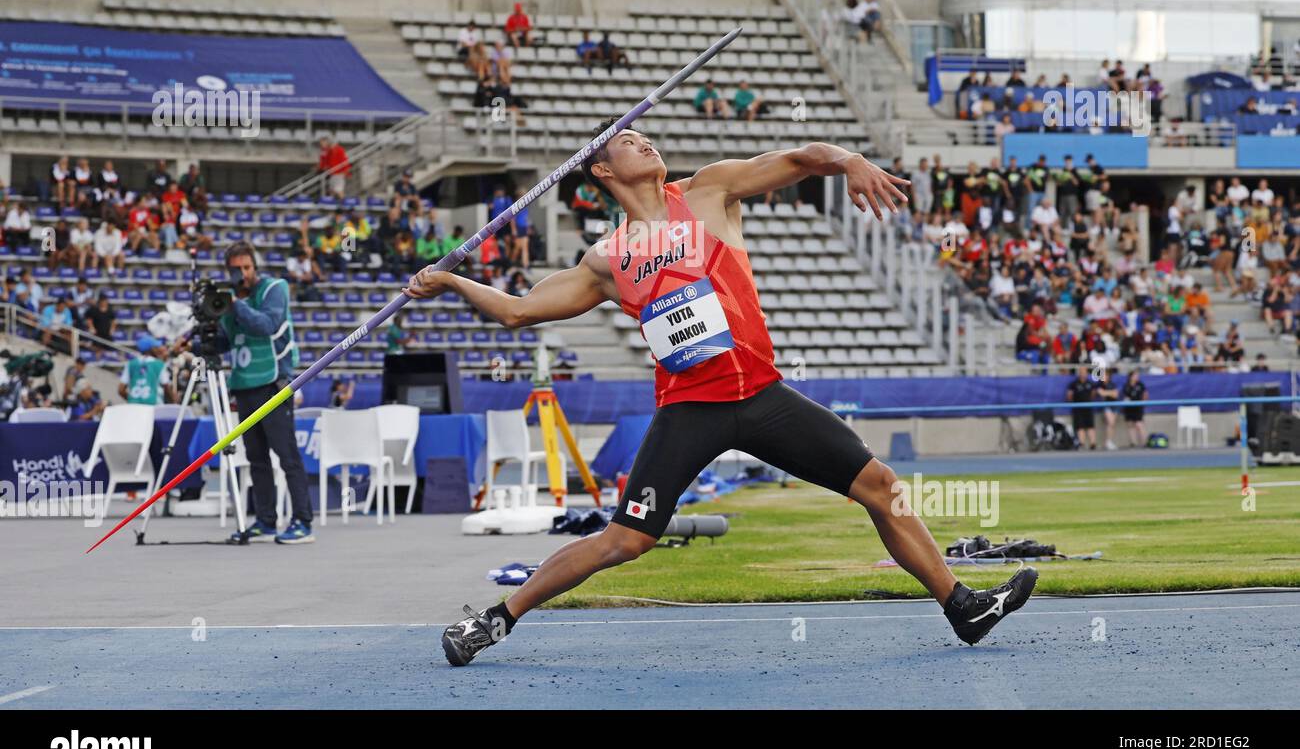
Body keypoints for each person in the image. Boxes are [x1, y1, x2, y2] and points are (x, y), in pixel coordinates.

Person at [409, 123, 1037, 665]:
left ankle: (963, 608)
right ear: (602, 169)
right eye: (629, 141)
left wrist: (848, 161)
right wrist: (454, 282)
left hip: (763, 396)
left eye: (645, 135)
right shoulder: (607, 259)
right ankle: (495, 618)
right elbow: (520, 312)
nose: (645, 141)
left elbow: (798, 160)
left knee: (882, 487)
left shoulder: (709, 192)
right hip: (689, 410)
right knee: (625, 540)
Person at [203, 242, 314, 544]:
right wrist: (204, 336)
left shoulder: (274, 288)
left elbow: (267, 324)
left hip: (273, 383)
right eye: (235, 269)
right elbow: (229, 340)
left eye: (246, 268)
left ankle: (303, 522)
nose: (242, 274)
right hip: (244, 384)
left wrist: (235, 304)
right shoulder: (229, 300)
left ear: (255, 266)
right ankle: (266, 521)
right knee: (256, 458)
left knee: (286, 455)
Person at [120, 335, 174, 404]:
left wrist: (131, 399)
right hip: (153, 405)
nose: (157, 349)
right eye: (155, 347)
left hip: (133, 405)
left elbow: (121, 390)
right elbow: (166, 387)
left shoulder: (130, 364)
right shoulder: (159, 364)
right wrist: (174, 401)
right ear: (151, 349)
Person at [1066, 366, 1097, 449]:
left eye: (1084, 372)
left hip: (1088, 407)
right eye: (1081, 372)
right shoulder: (1074, 384)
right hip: (1078, 408)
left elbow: (1093, 394)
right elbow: (1069, 395)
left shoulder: (1090, 383)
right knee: (1080, 426)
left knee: (1090, 426)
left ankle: (1093, 444)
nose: (1083, 374)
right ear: (1079, 373)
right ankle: (1082, 444)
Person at [1121, 369, 1148, 446]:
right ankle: (1133, 442)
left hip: (1138, 407)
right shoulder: (1126, 385)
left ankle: (1144, 442)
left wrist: (1143, 402)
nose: (1137, 377)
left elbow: (1145, 394)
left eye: (1137, 375)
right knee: (1130, 425)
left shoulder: (1140, 384)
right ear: (1130, 377)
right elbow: (1124, 396)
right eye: (1135, 375)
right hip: (1129, 408)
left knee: (1139, 424)